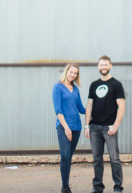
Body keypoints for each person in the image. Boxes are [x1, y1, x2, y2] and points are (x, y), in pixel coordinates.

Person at [85, 55, 126, 193]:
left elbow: (121, 106)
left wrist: (115, 125)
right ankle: (97, 187)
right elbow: (89, 105)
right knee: (97, 159)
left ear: (110, 66)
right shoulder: (94, 85)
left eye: (106, 65)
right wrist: (87, 126)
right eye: (101, 65)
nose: (103, 67)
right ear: (98, 67)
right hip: (94, 128)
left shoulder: (116, 84)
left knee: (114, 159)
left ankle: (118, 187)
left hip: (109, 128)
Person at [53, 63, 86, 193]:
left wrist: (94, 105)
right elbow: (58, 110)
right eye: (71, 72)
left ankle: (66, 183)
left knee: (69, 157)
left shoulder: (76, 89)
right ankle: (65, 187)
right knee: (65, 155)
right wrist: (66, 127)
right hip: (63, 126)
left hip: (76, 127)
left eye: (75, 73)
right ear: (66, 72)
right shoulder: (58, 87)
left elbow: (81, 108)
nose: (73, 75)